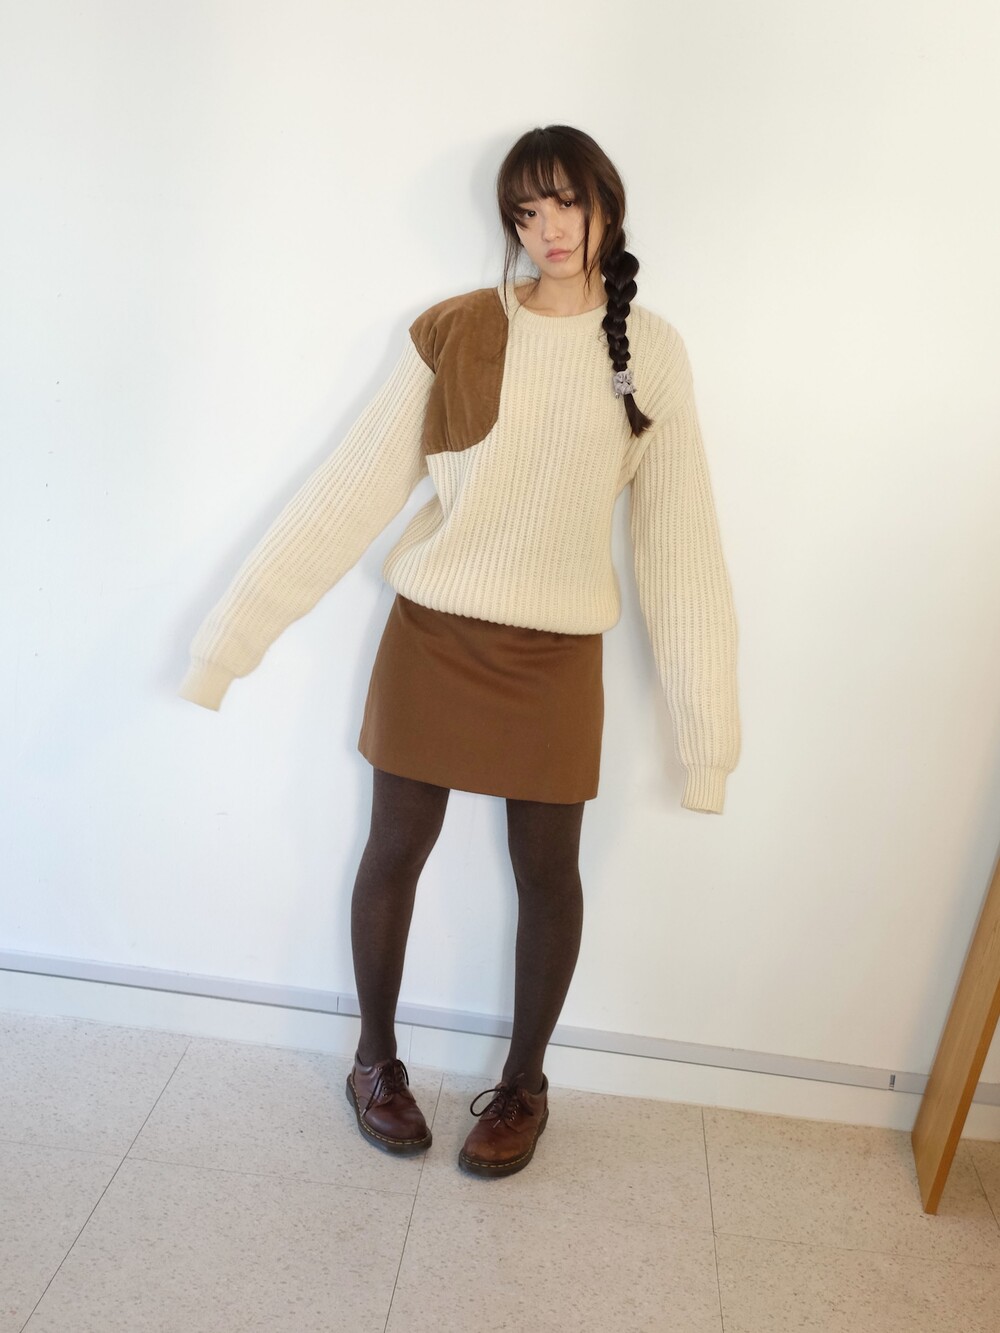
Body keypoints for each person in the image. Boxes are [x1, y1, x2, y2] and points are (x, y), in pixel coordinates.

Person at [178, 125, 740, 1178]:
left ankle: (525, 1087)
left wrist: (707, 741)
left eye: (564, 203)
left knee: (550, 874)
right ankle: (373, 1063)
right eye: (525, 211)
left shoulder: (651, 351)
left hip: (557, 655)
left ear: (606, 203)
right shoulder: (455, 331)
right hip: (434, 637)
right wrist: (227, 645)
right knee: (393, 849)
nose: (547, 229)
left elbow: (680, 546)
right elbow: (346, 496)